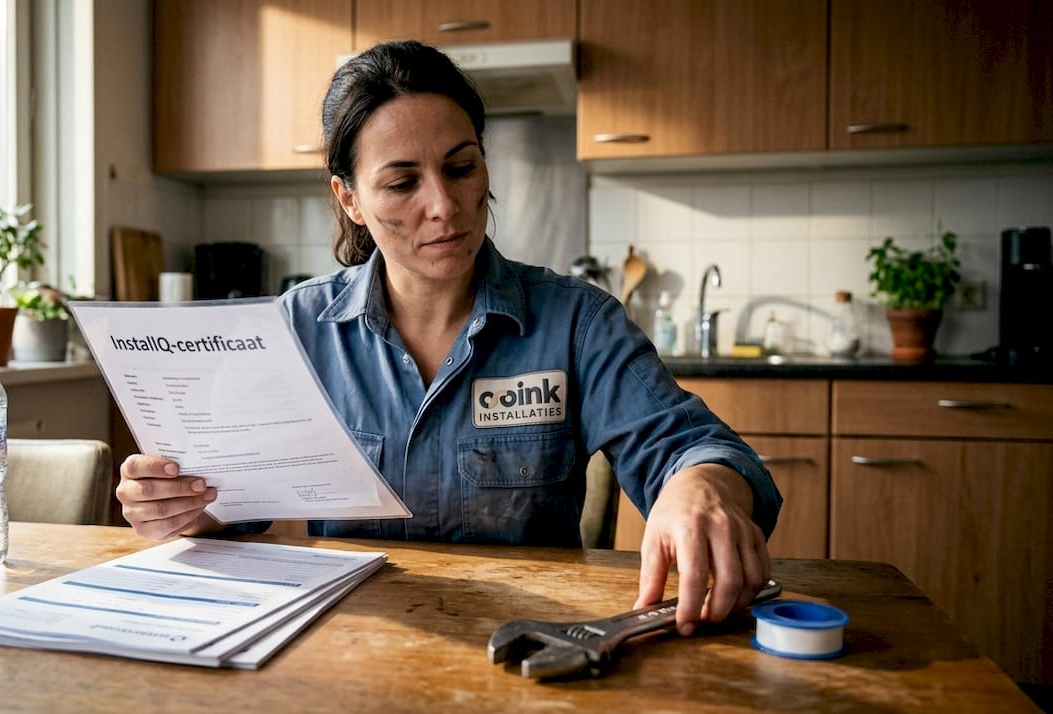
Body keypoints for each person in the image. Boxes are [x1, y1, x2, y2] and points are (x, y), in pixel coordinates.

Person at [118, 40, 782, 636]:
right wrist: (182, 511)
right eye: (402, 182)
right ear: (348, 198)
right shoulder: (294, 331)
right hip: (352, 647)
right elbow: (232, 508)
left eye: (461, 168)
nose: (443, 205)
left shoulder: (577, 322)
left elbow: (692, 446)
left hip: (533, 647)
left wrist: (703, 487)